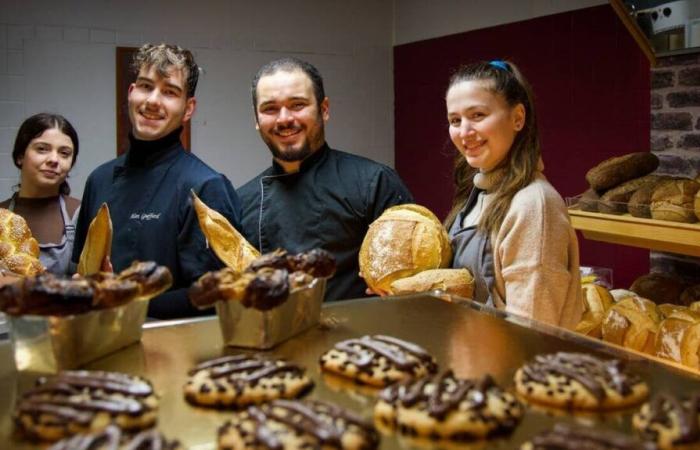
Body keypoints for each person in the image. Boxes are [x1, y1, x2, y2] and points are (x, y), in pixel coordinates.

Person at [71, 43, 241, 319]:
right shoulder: (99, 180)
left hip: (174, 350)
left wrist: (123, 301)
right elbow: (80, 271)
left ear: (188, 109)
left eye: (170, 92)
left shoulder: (206, 187)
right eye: (146, 86)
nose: (152, 100)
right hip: (100, 345)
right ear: (131, 93)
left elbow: (215, 295)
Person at [238, 57, 413, 302]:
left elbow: (413, 282)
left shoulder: (374, 182)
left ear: (324, 109)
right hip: (274, 339)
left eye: (297, 105)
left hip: (361, 338)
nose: (284, 119)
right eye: (270, 109)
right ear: (257, 120)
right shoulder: (240, 202)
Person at [444, 60, 582, 329]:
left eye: (478, 115)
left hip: (509, 366)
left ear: (518, 118)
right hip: (472, 359)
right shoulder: (478, 193)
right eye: (454, 120)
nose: (464, 132)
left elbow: (530, 331)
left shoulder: (534, 205)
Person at [1, 113, 81, 276]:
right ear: (20, 156)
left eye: (64, 153)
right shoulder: (2, 217)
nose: (54, 159)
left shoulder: (81, 214)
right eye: (42, 149)